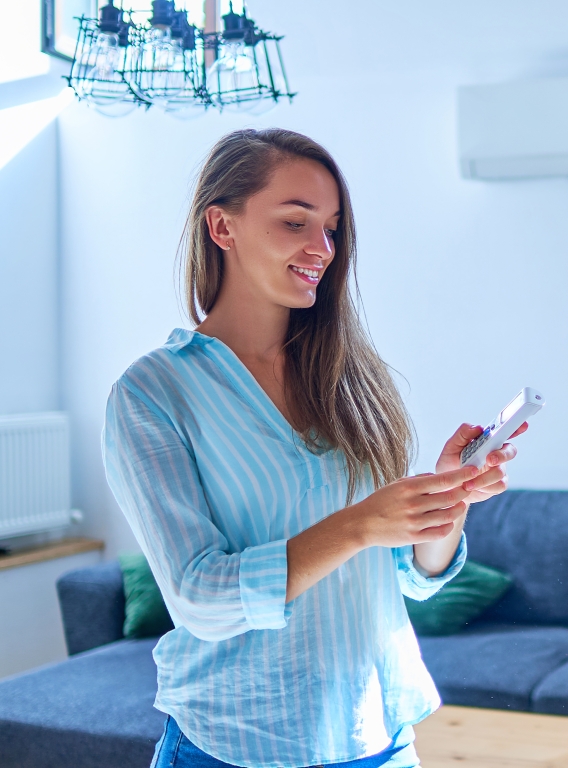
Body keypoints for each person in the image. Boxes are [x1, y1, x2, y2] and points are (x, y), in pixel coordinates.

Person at [102, 128, 526, 768]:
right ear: (222, 227)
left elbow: (412, 578)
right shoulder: (153, 393)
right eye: (296, 221)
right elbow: (200, 597)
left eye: (331, 227)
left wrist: (446, 499)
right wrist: (360, 525)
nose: (322, 248)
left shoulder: (350, 377)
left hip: (378, 739)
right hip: (236, 743)